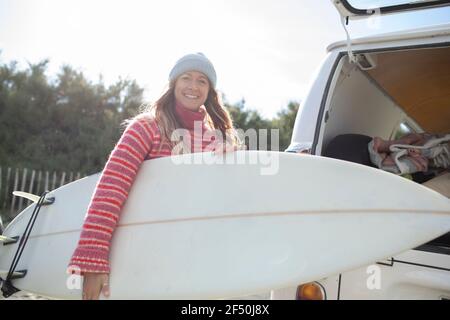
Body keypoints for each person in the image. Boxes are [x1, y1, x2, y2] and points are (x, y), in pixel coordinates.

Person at [67, 53, 241, 300]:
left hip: (197, 262)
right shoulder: (147, 127)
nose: (193, 86)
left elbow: (225, 204)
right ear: (173, 84)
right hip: (144, 255)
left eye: (202, 80)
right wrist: (93, 254)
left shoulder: (215, 140)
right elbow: (111, 188)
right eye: (186, 78)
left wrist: (231, 164)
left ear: (210, 90)